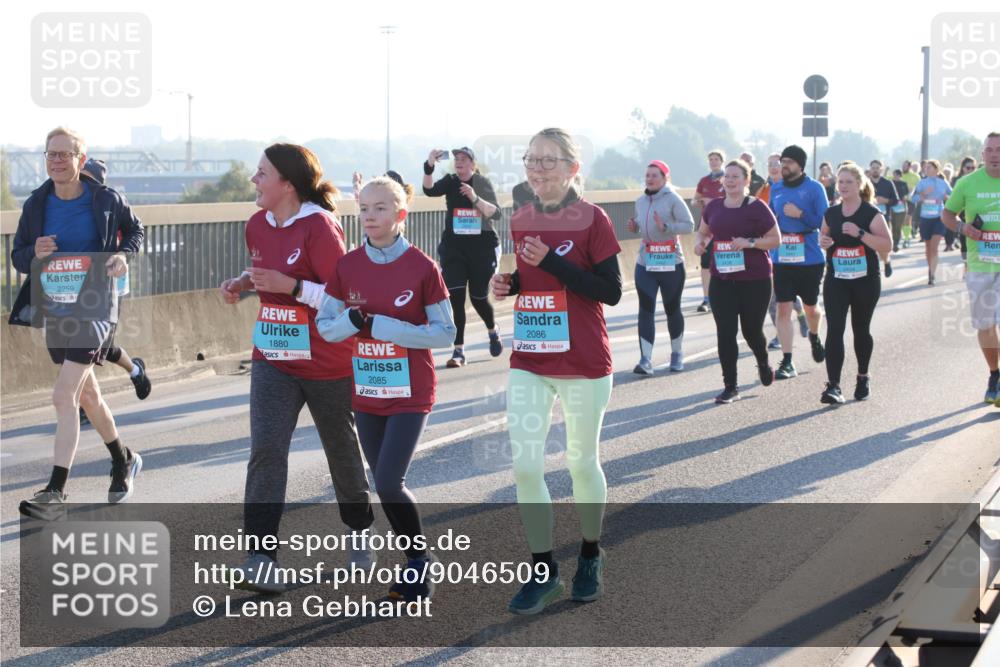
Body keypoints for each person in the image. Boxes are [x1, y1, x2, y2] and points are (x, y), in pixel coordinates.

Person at [218, 144, 376, 592]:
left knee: (341, 452)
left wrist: (293, 287)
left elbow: (346, 296)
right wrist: (242, 284)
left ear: (287, 183)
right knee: (266, 450)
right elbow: (263, 270)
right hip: (273, 356)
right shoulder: (256, 224)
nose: (253, 179)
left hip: (326, 361)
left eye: (262, 173)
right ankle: (261, 558)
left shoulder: (321, 227)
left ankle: (360, 531)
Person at [490, 128, 621, 614]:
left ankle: (590, 553)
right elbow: (536, 278)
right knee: (526, 465)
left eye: (548, 161)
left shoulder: (593, 219)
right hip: (530, 359)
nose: (537, 169)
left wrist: (554, 262)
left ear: (571, 168)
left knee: (580, 463)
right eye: (531, 160)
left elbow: (609, 290)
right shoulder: (521, 218)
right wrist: (512, 283)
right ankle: (543, 571)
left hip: (584, 362)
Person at [317, 175, 457, 601]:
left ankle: (419, 563)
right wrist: (353, 323)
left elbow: (445, 333)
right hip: (368, 391)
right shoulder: (347, 266)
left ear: (400, 215)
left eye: (379, 208)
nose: (369, 217)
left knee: (390, 482)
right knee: (381, 482)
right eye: (363, 209)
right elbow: (326, 329)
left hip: (411, 391)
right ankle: (416, 559)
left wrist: (387, 326)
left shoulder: (422, 268)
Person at [12, 127, 144, 520]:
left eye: (63, 154)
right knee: (88, 397)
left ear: (80, 160)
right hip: (57, 307)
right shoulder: (36, 204)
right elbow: (20, 257)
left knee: (62, 395)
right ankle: (124, 460)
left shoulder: (106, 198)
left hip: (97, 305)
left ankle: (56, 491)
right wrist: (33, 251)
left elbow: (135, 231)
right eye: (50, 154)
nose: (55, 161)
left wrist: (122, 253)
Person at [693, 159, 780, 403]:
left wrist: (750, 243)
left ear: (747, 181)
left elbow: (776, 240)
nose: (729, 180)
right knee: (726, 332)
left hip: (755, 278)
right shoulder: (714, 207)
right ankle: (730, 386)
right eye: (727, 177)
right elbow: (703, 231)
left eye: (735, 176)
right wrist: (700, 244)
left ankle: (763, 361)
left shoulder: (757, 207)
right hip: (722, 277)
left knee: (751, 330)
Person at [76, 158, 151, 424]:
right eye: (80, 178)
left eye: (88, 179)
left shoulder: (112, 201)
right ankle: (134, 372)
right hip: (79, 283)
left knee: (100, 345)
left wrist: (122, 254)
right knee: (87, 343)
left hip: (112, 281)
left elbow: (136, 230)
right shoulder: (68, 205)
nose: (83, 183)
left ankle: (131, 373)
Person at [818, 163, 892, 404]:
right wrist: (825, 242)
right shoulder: (831, 213)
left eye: (849, 182)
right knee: (835, 330)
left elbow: (886, 245)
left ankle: (862, 376)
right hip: (837, 280)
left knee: (861, 330)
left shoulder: (871, 214)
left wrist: (860, 234)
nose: (843, 186)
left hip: (865, 281)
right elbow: (824, 237)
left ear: (859, 185)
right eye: (840, 182)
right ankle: (834, 386)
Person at [422, 146, 503, 367]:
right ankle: (459, 352)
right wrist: (429, 165)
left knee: (478, 298)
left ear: (472, 165)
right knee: (456, 300)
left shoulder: (482, 183)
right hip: (454, 251)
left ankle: (492, 329)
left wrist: (475, 198)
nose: (459, 162)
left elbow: (496, 213)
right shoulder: (450, 181)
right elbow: (428, 190)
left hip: (482, 250)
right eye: (457, 159)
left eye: (464, 159)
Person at [942, 132, 1000, 406]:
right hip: (980, 264)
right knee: (985, 325)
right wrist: (963, 227)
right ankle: (994, 375)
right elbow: (947, 214)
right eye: (989, 150)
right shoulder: (967, 183)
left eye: (999, 149)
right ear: (982, 154)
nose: (994, 154)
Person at [627, 160, 693, 375]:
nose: (650, 178)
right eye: (647, 175)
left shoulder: (673, 199)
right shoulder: (640, 201)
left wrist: (667, 227)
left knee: (671, 308)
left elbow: (689, 225)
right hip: (646, 261)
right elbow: (642, 223)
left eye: (655, 175)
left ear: (665, 178)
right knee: (645, 310)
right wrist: (635, 226)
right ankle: (645, 359)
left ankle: (677, 354)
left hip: (670, 261)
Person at [770, 145, 830, 379]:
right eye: (783, 161)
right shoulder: (776, 189)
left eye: (789, 162)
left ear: (800, 165)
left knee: (811, 307)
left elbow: (824, 222)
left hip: (810, 256)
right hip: (783, 256)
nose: (784, 165)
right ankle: (787, 361)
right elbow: (771, 218)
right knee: (783, 307)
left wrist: (800, 215)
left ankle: (814, 335)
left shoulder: (814, 188)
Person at [760, 153, 806, 349]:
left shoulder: (795, 188)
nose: (773, 167)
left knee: (786, 291)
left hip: (793, 245)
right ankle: (780, 333)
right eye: (770, 164)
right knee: (772, 296)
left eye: (777, 164)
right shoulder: (763, 190)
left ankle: (802, 312)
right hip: (771, 247)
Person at [910, 159, 953, 285]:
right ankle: (930, 269)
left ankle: (932, 274)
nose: (926, 169)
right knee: (928, 247)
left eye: (929, 167)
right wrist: (923, 195)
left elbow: (954, 196)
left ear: (936, 169)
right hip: (925, 218)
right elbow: (913, 198)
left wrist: (947, 198)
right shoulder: (922, 183)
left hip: (939, 218)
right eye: (925, 167)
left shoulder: (943, 183)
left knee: (934, 247)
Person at [695, 150, 727, 312]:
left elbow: (732, 200)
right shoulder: (704, 181)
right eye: (711, 159)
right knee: (705, 263)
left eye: (716, 159)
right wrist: (701, 201)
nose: (713, 162)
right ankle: (706, 299)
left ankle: (723, 296)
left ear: (722, 161)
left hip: (723, 227)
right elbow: (694, 200)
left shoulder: (727, 180)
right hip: (707, 226)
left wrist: (713, 201)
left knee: (723, 261)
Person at [868, 160, 900, 278]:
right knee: (870, 245)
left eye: (877, 168)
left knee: (882, 245)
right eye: (873, 167)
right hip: (867, 219)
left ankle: (886, 261)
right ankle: (872, 270)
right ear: (870, 169)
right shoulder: (866, 183)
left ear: (881, 170)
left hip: (883, 218)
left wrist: (885, 200)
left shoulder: (888, 183)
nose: (875, 169)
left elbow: (896, 200)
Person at [891, 168, 912, 250]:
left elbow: (907, 194)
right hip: (892, 206)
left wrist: (905, 198)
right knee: (892, 225)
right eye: (894, 175)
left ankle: (896, 243)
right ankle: (892, 241)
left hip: (902, 207)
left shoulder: (903, 183)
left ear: (900, 175)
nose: (894, 176)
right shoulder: (891, 183)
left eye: (896, 175)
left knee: (898, 226)